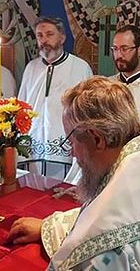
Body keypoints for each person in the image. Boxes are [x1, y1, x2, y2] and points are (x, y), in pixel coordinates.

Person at [7, 76, 140, 271]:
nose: (71, 153)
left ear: (97, 139)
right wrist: (48, 228)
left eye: (71, 142)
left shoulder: (102, 252)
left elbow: (100, 230)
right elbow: (107, 215)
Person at [64, 25, 140, 184]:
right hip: (103, 174)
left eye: (124, 49)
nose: (119, 55)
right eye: (115, 49)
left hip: (138, 177)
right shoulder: (103, 89)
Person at [18, 17, 92, 179]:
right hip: (33, 149)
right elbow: (21, 107)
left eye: (49, 34)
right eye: (40, 35)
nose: (44, 40)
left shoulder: (80, 67)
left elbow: (87, 113)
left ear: (62, 38)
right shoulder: (31, 68)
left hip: (66, 151)